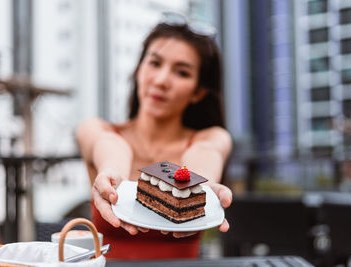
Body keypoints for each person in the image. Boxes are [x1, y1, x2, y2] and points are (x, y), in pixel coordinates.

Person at [76, 12, 233, 259]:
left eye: (181, 72)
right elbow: (110, 145)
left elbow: (205, 155)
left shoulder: (212, 138)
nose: (161, 81)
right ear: (139, 69)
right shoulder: (96, 129)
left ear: (198, 92)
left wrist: (198, 187)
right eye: (155, 63)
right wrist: (111, 173)